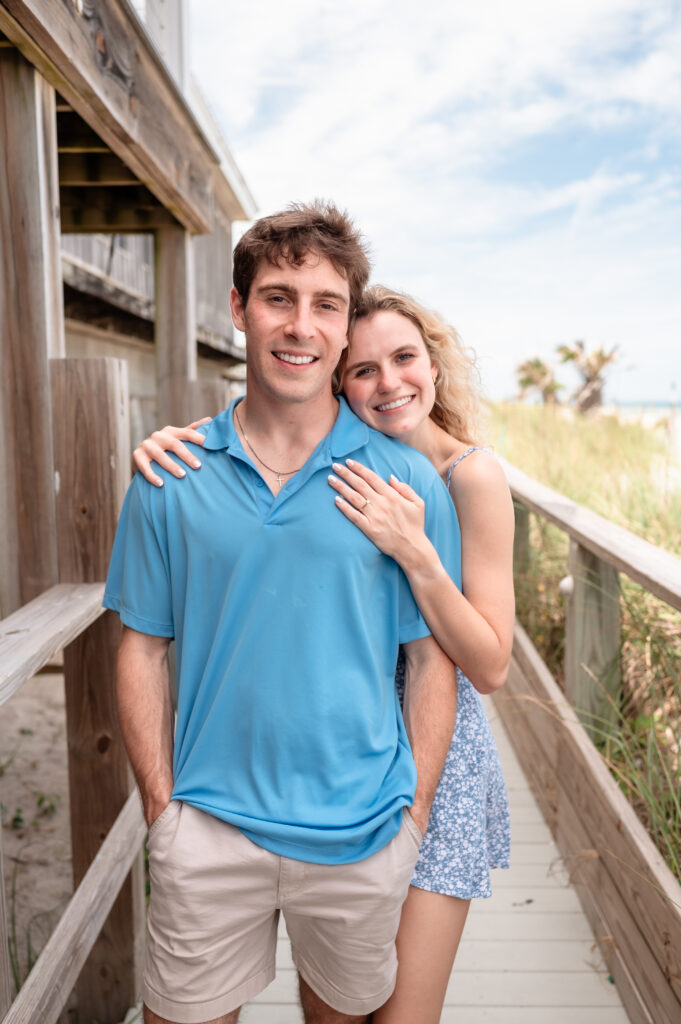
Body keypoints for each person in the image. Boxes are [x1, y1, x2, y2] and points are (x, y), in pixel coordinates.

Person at [104, 202, 461, 1024]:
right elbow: (141, 650)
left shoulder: (404, 484)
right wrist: (164, 813)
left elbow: (430, 661)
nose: (300, 325)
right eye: (277, 297)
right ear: (237, 308)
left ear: (344, 329)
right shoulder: (171, 476)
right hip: (207, 828)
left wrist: (411, 820)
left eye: (324, 304)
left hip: (361, 835)